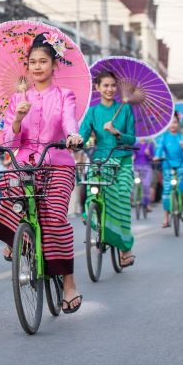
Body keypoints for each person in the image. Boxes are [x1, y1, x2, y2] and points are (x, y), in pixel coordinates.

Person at [0, 33, 84, 313]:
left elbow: (68, 120)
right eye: (33, 62)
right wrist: (17, 117)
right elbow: (10, 142)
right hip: (26, 162)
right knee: (10, 191)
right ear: (27, 67)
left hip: (58, 163)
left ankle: (69, 284)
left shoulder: (65, 95)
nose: (38, 66)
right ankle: (16, 239)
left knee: (54, 216)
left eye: (43, 61)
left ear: (54, 65)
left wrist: (73, 135)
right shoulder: (18, 98)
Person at [81, 70, 138, 266]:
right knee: (93, 188)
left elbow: (132, 138)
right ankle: (93, 217)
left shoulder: (126, 109)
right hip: (100, 160)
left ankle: (125, 247)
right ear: (97, 88)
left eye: (113, 85)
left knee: (122, 196)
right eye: (105, 85)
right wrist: (76, 140)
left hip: (122, 160)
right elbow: (83, 134)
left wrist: (117, 132)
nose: (110, 89)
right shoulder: (92, 112)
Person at [154, 113, 183, 227]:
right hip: (167, 165)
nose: (172, 125)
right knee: (166, 191)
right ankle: (166, 219)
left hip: (181, 164)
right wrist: (157, 156)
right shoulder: (164, 137)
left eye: (175, 122)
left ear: (178, 124)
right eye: (170, 122)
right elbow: (159, 149)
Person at [133, 138, 155, 214]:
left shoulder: (149, 145)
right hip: (136, 167)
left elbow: (152, 158)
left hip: (147, 167)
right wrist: (132, 157)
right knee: (135, 183)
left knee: (146, 185)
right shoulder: (135, 145)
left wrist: (148, 154)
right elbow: (133, 156)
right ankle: (135, 199)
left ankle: (147, 204)